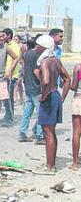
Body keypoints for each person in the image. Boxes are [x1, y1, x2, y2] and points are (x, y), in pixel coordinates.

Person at [33, 35, 70, 175]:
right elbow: (67, 78)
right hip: (55, 95)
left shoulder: (45, 61)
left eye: (38, 45)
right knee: (52, 132)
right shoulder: (56, 61)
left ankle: (49, 167)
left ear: (43, 47)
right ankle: (51, 163)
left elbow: (46, 81)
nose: (36, 48)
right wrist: (62, 98)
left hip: (48, 96)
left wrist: (43, 95)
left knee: (47, 133)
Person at [18, 36, 45, 144]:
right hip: (36, 87)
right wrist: (43, 82)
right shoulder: (39, 55)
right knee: (40, 112)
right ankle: (40, 136)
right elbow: (36, 72)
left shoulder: (25, 54)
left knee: (27, 111)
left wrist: (25, 81)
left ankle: (22, 133)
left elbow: (24, 69)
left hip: (28, 86)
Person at [1, 28, 21, 125]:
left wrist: (10, 72)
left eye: (4, 35)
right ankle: (7, 115)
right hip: (5, 75)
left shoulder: (14, 46)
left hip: (11, 75)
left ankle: (10, 117)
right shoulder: (5, 46)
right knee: (5, 97)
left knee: (9, 97)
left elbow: (15, 60)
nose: (2, 37)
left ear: (9, 35)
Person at [68, 58, 81, 171]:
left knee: (76, 133)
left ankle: (75, 163)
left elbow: (74, 86)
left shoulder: (78, 67)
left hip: (79, 99)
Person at [13, 34, 27, 106]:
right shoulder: (13, 46)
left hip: (21, 64)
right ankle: (18, 97)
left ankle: (19, 97)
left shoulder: (21, 46)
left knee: (18, 82)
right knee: (18, 83)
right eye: (14, 39)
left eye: (16, 39)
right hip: (17, 65)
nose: (15, 41)